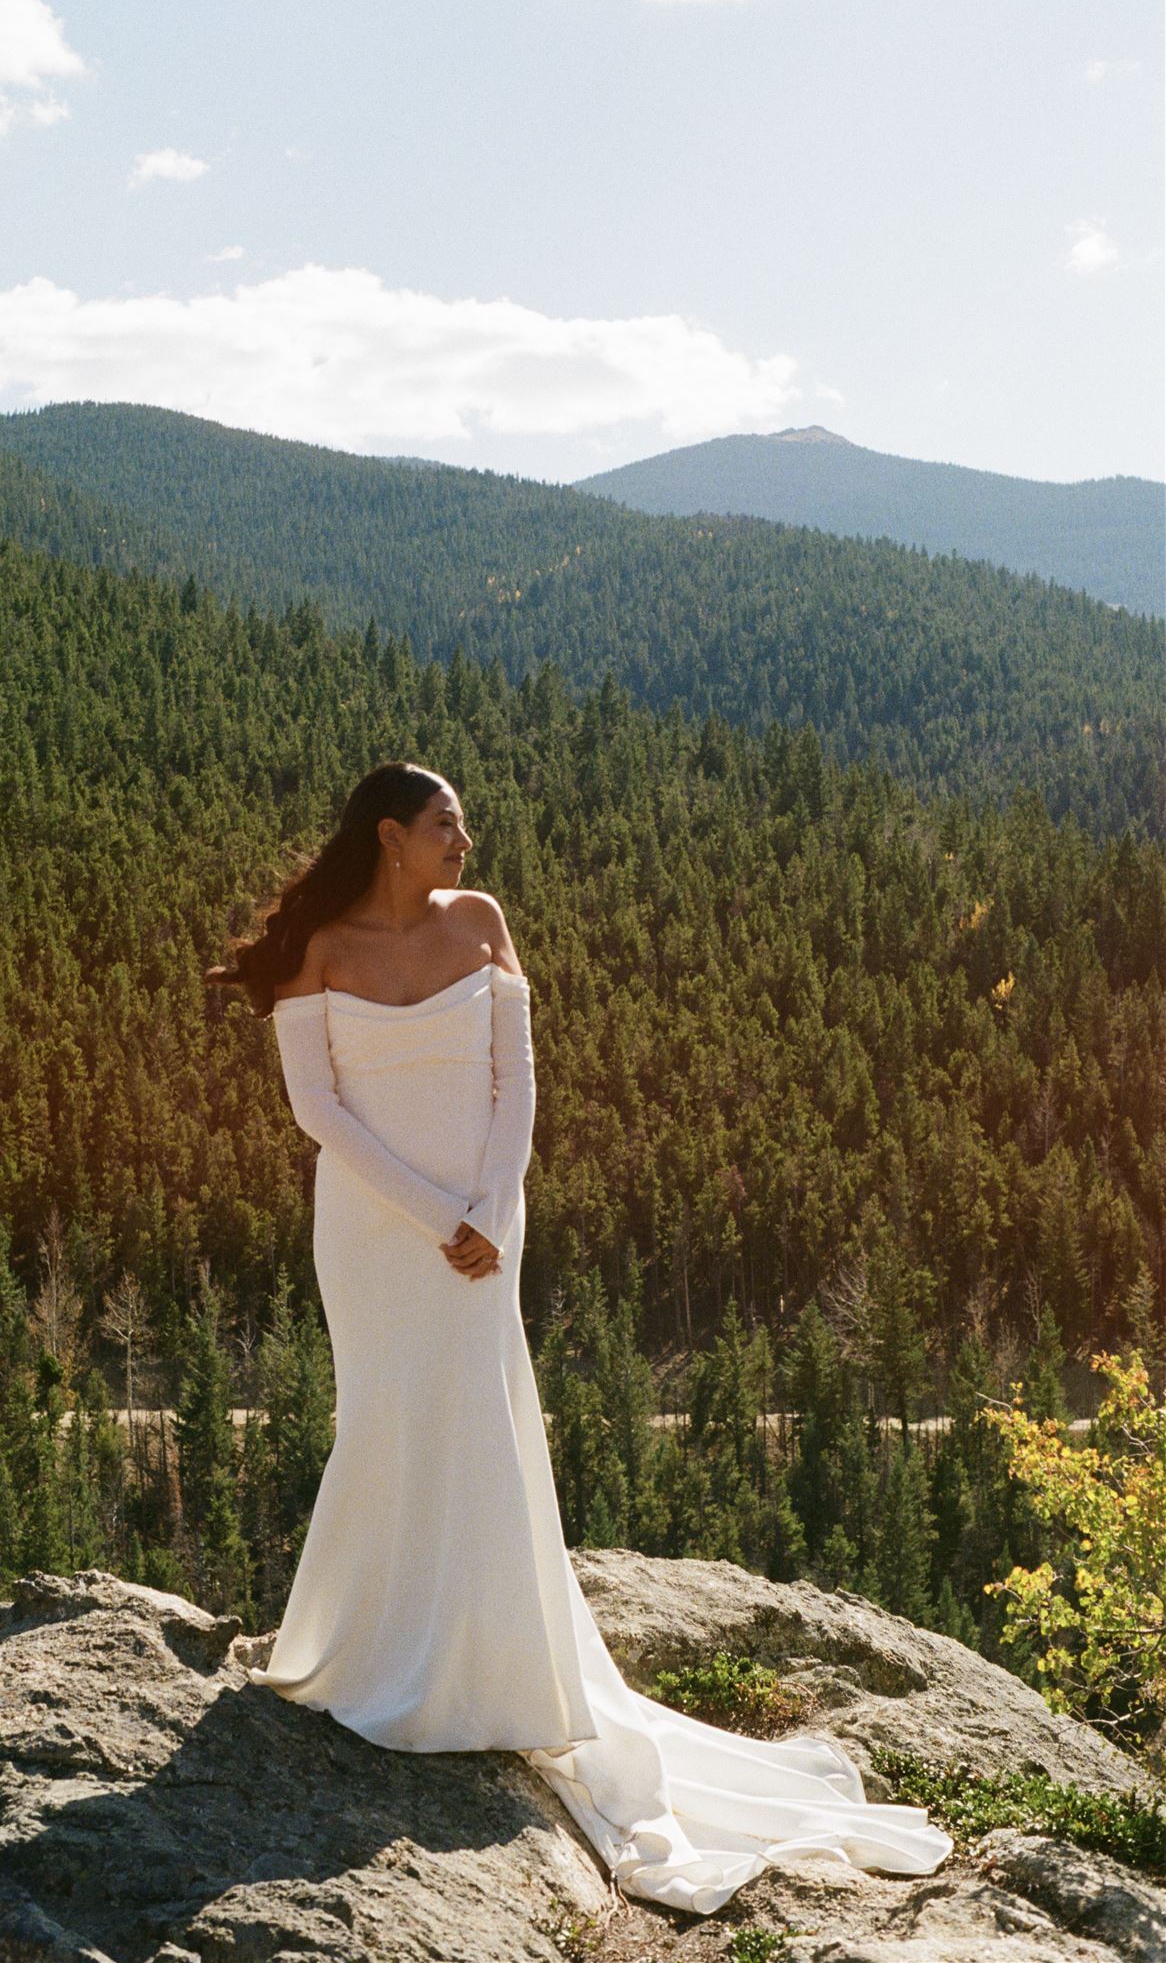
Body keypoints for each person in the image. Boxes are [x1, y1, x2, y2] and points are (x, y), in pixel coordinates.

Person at [205, 759, 954, 1916]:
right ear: (392, 835)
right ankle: (379, 1655)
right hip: (374, 1228)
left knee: (479, 1421)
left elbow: (518, 1073)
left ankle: (489, 1667)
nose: (467, 839)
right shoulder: (320, 945)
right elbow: (319, 1110)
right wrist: (429, 1211)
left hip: (480, 1224)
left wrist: (490, 1206)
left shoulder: (481, 921)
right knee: (390, 1417)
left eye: (464, 823)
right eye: (448, 824)